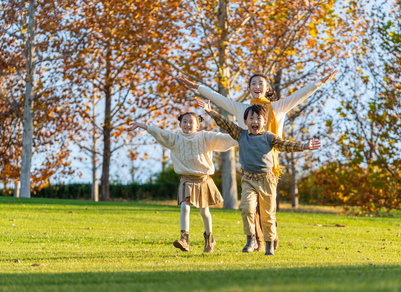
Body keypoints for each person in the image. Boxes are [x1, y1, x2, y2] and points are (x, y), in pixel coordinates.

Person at [179, 70, 337, 250]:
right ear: (249, 88)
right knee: (249, 207)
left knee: (265, 209)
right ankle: (257, 241)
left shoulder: (278, 107)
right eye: (253, 84)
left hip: (270, 165)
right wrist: (197, 87)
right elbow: (217, 98)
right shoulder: (241, 109)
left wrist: (320, 82)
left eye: (261, 84)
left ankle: (270, 236)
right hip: (248, 164)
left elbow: (300, 95)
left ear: (267, 88)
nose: (257, 87)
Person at [197, 100, 321, 255]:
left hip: (267, 180)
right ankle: (251, 238)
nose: (255, 121)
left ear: (264, 121)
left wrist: (303, 146)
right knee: (247, 209)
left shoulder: (269, 137)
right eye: (251, 118)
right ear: (245, 121)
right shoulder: (240, 134)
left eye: (258, 118)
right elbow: (226, 123)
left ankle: (269, 243)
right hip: (248, 179)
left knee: (268, 214)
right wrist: (210, 111)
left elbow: (285, 145)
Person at [128, 112, 237, 253]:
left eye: (191, 122)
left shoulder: (205, 137)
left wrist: (244, 136)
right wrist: (141, 125)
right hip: (186, 180)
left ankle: (209, 238)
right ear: (180, 125)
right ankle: (184, 239)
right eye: (184, 122)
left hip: (203, 179)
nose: (187, 124)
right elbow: (159, 132)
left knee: (204, 212)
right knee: (185, 207)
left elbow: (224, 139)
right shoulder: (175, 139)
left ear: (197, 125)